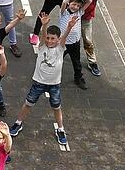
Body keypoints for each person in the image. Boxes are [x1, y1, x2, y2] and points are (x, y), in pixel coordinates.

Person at [8, 12, 76, 145]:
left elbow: (65, 37)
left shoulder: (61, 48)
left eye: (53, 39)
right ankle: (18, 123)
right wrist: (44, 26)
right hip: (38, 83)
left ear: (58, 39)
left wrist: (69, 27)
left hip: (54, 85)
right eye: (48, 38)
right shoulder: (42, 46)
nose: (50, 41)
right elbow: (43, 35)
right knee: (28, 103)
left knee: (57, 107)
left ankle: (60, 129)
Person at [49, 0, 123, 76]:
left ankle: (92, 62)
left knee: (87, 41)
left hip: (86, 19)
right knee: (66, 39)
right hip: (72, 17)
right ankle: (58, 55)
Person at [54, 0, 93, 89]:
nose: (75, 6)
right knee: (57, 60)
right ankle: (52, 76)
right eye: (73, 4)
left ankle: (78, 77)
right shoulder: (64, 12)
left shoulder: (79, 12)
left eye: (77, 5)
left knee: (76, 62)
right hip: (63, 42)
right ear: (70, 4)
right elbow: (64, 2)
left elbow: (89, 1)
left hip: (75, 42)